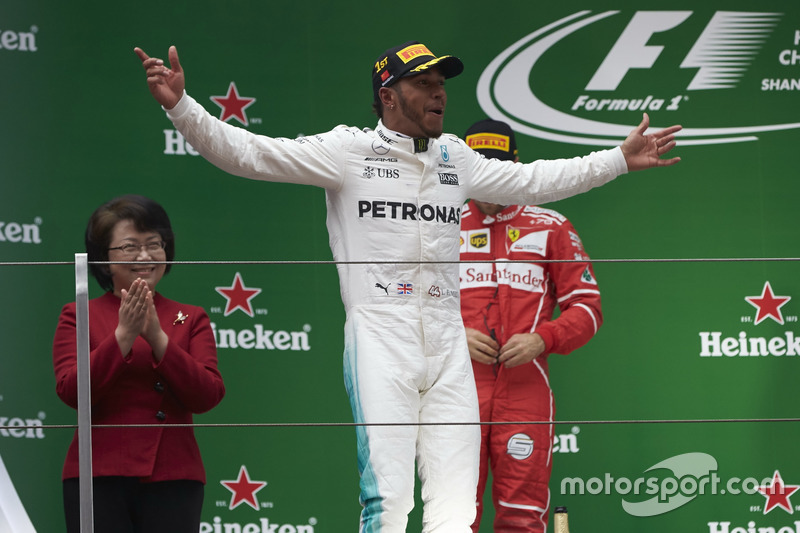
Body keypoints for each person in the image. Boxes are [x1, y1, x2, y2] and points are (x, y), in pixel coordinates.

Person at [133, 40, 680, 532]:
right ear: (388, 95)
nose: (440, 93)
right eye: (425, 84)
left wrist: (617, 160)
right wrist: (182, 106)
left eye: (442, 84)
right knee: (390, 504)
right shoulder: (347, 151)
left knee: (455, 506)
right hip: (380, 334)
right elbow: (247, 154)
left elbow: (534, 180)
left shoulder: (456, 159)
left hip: (446, 340)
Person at [460, 119, 603, 532]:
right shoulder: (439, 226)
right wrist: (451, 335)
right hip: (455, 392)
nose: (489, 183)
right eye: (478, 171)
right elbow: (404, 305)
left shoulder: (551, 227)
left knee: (523, 516)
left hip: (525, 393)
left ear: (517, 168)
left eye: (499, 171)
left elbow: (588, 308)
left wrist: (544, 339)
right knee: (452, 514)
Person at [52, 194, 226, 533]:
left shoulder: (191, 317)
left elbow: (208, 396)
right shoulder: (78, 314)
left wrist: (158, 338)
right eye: (130, 246)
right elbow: (72, 392)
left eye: (154, 244)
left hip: (173, 475)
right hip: (97, 474)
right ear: (104, 259)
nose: (145, 256)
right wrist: (123, 336)